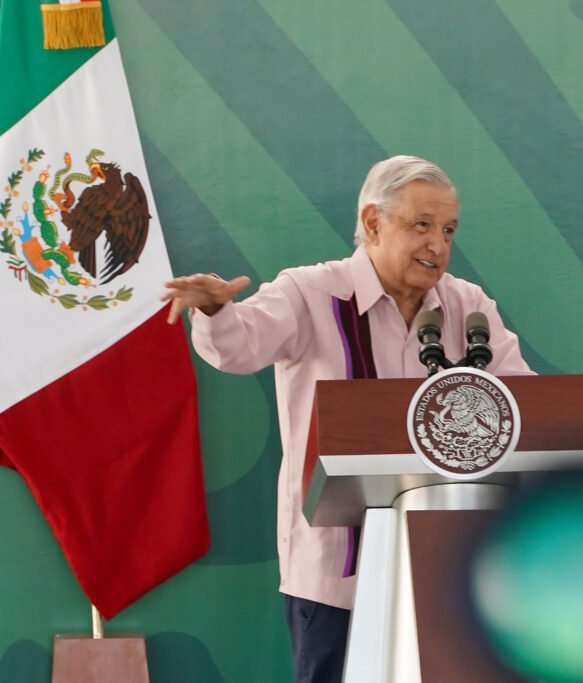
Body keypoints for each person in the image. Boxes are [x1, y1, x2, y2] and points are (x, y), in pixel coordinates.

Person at [163, 155, 533, 683]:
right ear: (373, 222)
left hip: (445, 573)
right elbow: (240, 348)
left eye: (448, 230)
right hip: (336, 578)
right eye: (421, 225)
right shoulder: (310, 293)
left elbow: (524, 406)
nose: (438, 245)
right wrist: (217, 311)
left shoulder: (467, 305)